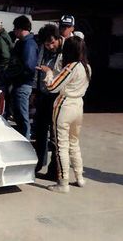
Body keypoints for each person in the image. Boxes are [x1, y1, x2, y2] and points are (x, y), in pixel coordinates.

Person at [38, 36, 91, 193]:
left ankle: (63, 182)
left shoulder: (70, 67)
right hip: (78, 105)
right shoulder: (87, 67)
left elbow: (53, 87)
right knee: (74, 143)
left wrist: (48, 73)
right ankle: (80, 177)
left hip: (64, 105)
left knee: (61, 145)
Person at [34, 24, 65, 179]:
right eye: (47, 44)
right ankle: (38, 163)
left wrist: (49, 71)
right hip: (42, 95)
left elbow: (63, 76)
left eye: (53, 42)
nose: (51, 46)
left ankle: (54, 171)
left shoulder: (66, 51)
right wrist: (35, 90)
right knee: (40, 132)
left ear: (58, 38)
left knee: (55, 135)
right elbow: (37, 69)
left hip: (57, 97)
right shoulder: (43, 50)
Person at [3, 15, 38, 139]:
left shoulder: (28, 44)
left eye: (15, 28)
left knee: (23, 117)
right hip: (19, 84)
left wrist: (14, 73)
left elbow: (28, 66)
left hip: (23, 84)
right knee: (19, 116)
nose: (14, 31)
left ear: (20, 29)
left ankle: (25, 144)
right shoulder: (23, 43)